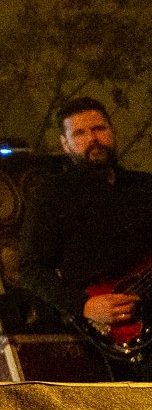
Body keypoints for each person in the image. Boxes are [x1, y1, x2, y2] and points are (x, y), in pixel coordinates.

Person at [17, 97, 152, 372]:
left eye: (99, 129)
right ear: (65, 144)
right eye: (80, 133)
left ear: (112, 132)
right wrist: (85, 306)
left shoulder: (144, 187)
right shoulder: (51, 196)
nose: (93, 138)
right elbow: (30, 269)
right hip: (117, 329)